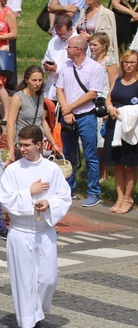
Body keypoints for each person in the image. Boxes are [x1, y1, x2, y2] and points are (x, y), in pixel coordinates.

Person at [0, 125, 72, 328]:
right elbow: (4, 200)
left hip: (44, 231)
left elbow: (64, 196)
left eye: (27, 145)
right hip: (21, 232)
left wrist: (48, 203)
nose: (22, 149)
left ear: (39, 145)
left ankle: (36, 313)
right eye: (20, 144)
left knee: (47, 279)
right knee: (24, 281)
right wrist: (28, 193)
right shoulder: (13, 171)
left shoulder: (52, 169)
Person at [56, 35, 104, 206]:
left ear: (79, 50)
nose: (66, 50)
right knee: (68, 154)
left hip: (86, 116)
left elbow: (92, 93)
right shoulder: (66, 66)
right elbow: (59, 89)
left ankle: (93, 192)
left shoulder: (94, 68)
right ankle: (69, 189)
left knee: (90, 155)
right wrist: (65, 109)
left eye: (69, 47)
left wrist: (71, 107)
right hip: (67, 116)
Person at [102, 50, 138, 214]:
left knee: (130, 164)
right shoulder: (118, 79)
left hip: (131, 126)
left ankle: (128, 197)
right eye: (126, 62)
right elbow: (109, 97)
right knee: (117, 163)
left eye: (132, 62)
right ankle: (119, 196)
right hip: (115, 123)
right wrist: (110, 108)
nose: (129, 65)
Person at [6, 66, 63, 164]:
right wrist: (11, 149)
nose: (38, 84)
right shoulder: (18, 97)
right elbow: (10, 124)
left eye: (40, 80)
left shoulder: (40, 95)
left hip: (37, 145)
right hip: (24, 145)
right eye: (34, 80)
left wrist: (54, 143)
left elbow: (42, 121)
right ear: (26, 80)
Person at [90, 32, 119, 181]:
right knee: (93, 138)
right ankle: (95, 170)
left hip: (104, 99)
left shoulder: (109, 61)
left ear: (104, 45)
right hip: (91, 99)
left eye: (95, 44)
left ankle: (105, 172)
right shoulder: (90, 60)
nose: (92, 47)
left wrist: (110, 104)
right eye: (91, 44)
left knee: (102, 139)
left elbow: (114, 84)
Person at [42, 15, 80, 105]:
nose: (60, 36)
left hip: (68, 93)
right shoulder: (53, 41)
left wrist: (57, 69)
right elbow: (45, 58)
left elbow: (80, 69)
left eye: (62, 34)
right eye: (58, 33)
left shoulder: (79, 43)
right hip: (50, 90)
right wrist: (46, 66)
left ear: (70, 29)